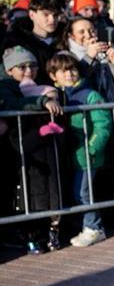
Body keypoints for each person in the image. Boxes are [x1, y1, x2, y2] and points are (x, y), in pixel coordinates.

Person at [2, 46, 66, 254]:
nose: (28, 70)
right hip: (17, 146)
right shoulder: (7, 87)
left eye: (32, 66)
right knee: (23, 195)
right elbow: (14, 104)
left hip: (41, 153)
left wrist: (51, 98)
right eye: (22, 66)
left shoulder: (40, 87)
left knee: (44, 193)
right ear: (10, 70)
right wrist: (41, 101)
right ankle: (28, 236)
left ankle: (46, 235)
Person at [47, 53, 111, 248]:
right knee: (78, 193)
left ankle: (94, 228)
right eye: (64, 71)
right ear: (53, 76)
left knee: (83, 194)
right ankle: (85, 225)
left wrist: (91, 148)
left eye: (73, 69)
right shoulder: (58, 95)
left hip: (87, 155)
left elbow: (103, 124)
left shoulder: (90, 94)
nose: (70, 74)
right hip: (70, 153)